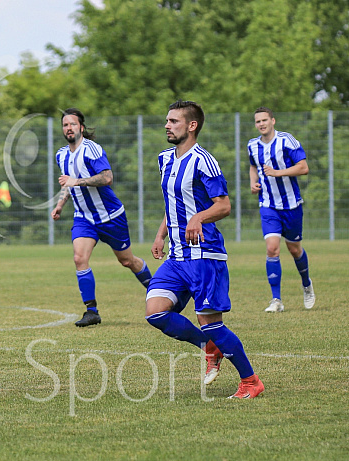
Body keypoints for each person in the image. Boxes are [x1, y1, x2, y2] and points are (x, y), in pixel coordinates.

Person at [146, 100, 264, 399]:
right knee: (155, 313)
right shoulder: (164, 159)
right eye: (167, 120)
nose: (167, 125)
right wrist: (161, 235)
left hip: (204, 253)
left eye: (173, 121)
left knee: (210, 321)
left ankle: (250, 381)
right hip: (177, 256)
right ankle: (208, 346)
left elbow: (223, 205)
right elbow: (173, 204)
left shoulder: (203, 161)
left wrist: (198, 217)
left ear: (191, 125)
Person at [51, 108, 153, 328]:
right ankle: (91, 311)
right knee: (80, 258)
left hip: (110, 217)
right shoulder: (61, 154)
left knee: (127, 261)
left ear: (81, 127)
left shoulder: (92, 150)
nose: (68, 128)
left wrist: (76, 181)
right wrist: (60, 204)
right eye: (65, 125)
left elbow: (107, 178)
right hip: (84, 218)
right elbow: (68, 184)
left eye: (72, 124)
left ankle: (157, 291)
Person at [248, 107, 315, 313]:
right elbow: (253, 166)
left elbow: (303, 167)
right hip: (268, 205)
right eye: (258, 121)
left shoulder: (287, 141)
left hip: (291, 205)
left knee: (294, 249)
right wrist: (253, 182)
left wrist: (278, 173)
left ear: (273, 121)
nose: (261, 124)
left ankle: (306, 284)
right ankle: (276, 300)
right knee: (272, 248)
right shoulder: (252, 145)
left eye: (265, 120)